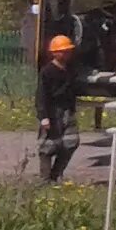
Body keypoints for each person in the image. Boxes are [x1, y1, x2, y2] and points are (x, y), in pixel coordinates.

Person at [34, 35, 79, 184]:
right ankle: (45, 180)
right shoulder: (47, 72)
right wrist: (44, 117)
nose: (67, 54)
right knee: (48, 146)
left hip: (67, 111)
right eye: (63, 51)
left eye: (68, 51)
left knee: (71, 142)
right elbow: (41, 95)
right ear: (54, 53)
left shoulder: (71, 70)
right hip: (53, 112)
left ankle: (56, 175)